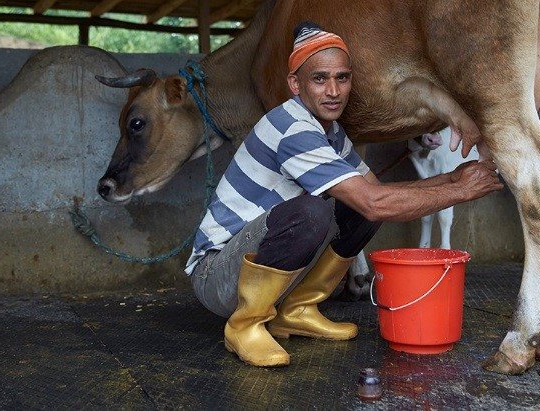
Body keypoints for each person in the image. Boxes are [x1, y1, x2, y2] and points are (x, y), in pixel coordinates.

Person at [185, 21, 503, 367]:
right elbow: (375, 201)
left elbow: (373, 194)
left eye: (342, 77)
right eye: (320, 79)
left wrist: (452, 178)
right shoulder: (293, 128)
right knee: (312, 212)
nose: (334, 91)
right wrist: (460, 191)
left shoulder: (331, 131)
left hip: (259, 268)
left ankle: (297, 308)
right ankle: (244, 325)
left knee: (357, 211)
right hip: (216, 274)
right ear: (295, 84)